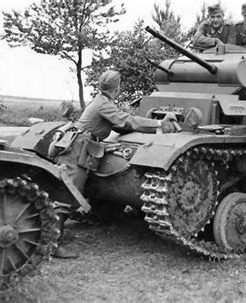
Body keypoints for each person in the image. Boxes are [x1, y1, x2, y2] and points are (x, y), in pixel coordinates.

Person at [50, 70, 177, 258]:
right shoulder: (104, 104)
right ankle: (53, 244)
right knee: (68, 194)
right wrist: (159, 124)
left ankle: (53, 235)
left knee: (69, 191)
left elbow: (120, 124)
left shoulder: (101, 101)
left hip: (81, 146)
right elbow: (126, 120)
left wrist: (150, 128)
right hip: (78, 148)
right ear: (117, 89)